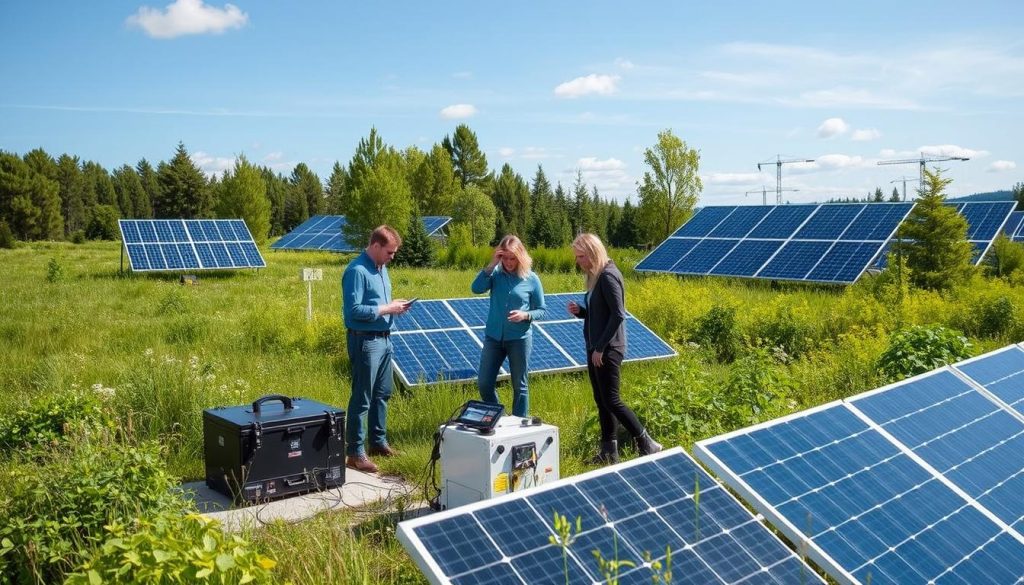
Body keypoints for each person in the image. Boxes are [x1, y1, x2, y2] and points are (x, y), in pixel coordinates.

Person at [568, 233, 661, 464]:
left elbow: (618, 314)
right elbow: (603, 313)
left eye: (581, 256)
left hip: (608, 349)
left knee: (612, 400)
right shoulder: (596, 276)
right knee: (602, 401)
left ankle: (647, 443)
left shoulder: (609, 276)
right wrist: (583, 312)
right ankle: (609, 453)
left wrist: (600, 347)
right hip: (596, 348)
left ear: (592, 253)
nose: (578, 261)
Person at [341, 225, 412, 473]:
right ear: (375, 246)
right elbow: (353, 311)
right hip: (365, 341)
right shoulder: (357, 271)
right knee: (363, 396)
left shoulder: (382, 270)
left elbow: (380, 305)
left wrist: (395, 307)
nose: (393, 257)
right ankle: (355, 452)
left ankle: (378, 443)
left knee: (383, 393)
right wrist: (386, 309)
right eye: (390, 252)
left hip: (384, 339)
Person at [472, 235, 546, 417]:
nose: (508, 262)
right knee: (484, 383)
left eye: (512, 258)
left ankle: (519, 426)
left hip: (519, 339)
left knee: (519, 386)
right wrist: (491, 265)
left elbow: (542, 309)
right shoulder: (495, 275)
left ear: (520, 257)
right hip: (494, 338)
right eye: (504, 257)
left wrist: (525, 315)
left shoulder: (531, 279)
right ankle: (499, 416)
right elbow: (476, 288)